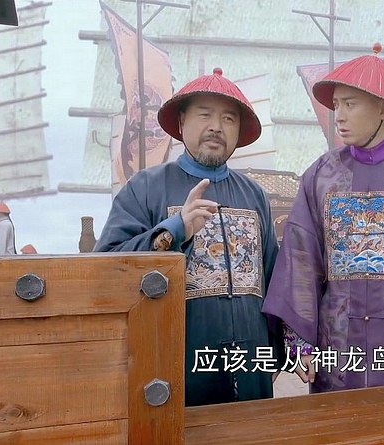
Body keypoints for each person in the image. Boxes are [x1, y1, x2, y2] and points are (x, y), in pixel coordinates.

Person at [262, 45, 384, 393]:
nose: (338, 116)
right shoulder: (322, 175)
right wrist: (300, 344)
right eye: (336, 105)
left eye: (350, 104)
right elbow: (300, 260)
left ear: (383, 108)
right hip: (338, 355)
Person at [94, 68, 281, 406]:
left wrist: (280, 351)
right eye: (205, 115)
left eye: (228, 118)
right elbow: (106, 266)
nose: (216, 127)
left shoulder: (254, 196)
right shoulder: (145, 188)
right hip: (175, 368)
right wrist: (174, 229)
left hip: (250, 369)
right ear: (181, 122)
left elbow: (274, 277)